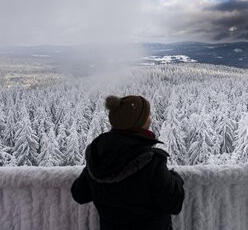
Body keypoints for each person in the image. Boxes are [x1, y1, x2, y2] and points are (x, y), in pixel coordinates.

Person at [71, 95, 185, 230]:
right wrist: (176, 179)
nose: (150, 119)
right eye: (147, 117)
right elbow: (174, 203)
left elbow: (79, 194)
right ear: (137, 123)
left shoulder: (99, 156)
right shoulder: (151, 162)